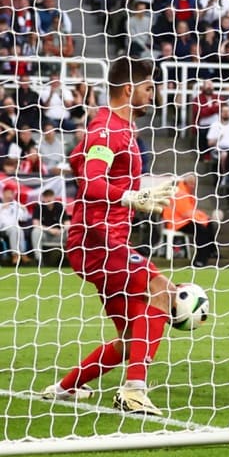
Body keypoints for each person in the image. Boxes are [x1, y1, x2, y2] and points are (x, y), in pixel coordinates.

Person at [42, 58, 178, 415]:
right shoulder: (107, 130)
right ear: (130, 89)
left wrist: (134, 193)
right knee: (162, 290)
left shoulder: (114, 128)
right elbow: (89, 178)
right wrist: (128, 196)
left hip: (106, 240)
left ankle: (64, 388)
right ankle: (134, 390)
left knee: (132, 339)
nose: (154, 93)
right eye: (150, 87)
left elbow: (76, 158)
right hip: (99, 240)